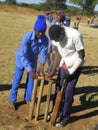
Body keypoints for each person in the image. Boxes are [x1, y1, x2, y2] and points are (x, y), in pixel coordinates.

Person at [46, 24, 85, 127]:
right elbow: (57, 53)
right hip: (64, 64)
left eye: (60, 39)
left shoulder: (75, 35)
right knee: (58, 89)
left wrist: (71, 71)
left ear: (62, 33)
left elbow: (82, 55)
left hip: (75, 66)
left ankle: (65, 116)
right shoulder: (55, 36)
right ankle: (55, 111)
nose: (58, 41)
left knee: (68, 92)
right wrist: (53, 71)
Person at [9, 15, 49, 110]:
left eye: (42, 32)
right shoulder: (27, 37)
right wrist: (30, 69)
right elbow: (23, 55)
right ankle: (12, 100)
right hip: (21, 59)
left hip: (32, 60)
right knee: (17, 79)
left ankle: (28, 98)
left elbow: (43, 55)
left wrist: (41, 70)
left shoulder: (45, 40)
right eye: (38, 31)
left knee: (32, 79)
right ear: (34, 29)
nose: (40, 33)